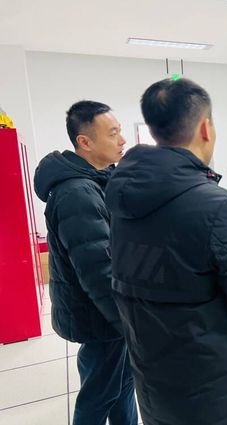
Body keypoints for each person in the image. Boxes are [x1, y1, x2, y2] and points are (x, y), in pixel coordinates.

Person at [104, 78, 227, 425]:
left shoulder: (122, 196)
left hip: (152, 375)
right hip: (212, 386)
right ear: (205, 128)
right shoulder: (218, 206)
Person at [33, 101, 136, 425]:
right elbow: (98, 271)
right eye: (113, 133)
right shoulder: (77, 193)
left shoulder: (99, 179)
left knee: (122, 386)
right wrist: (129, 324)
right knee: (98, 396)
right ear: (85, 142)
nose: (122, 140)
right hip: (100, 318)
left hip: (107, 315)